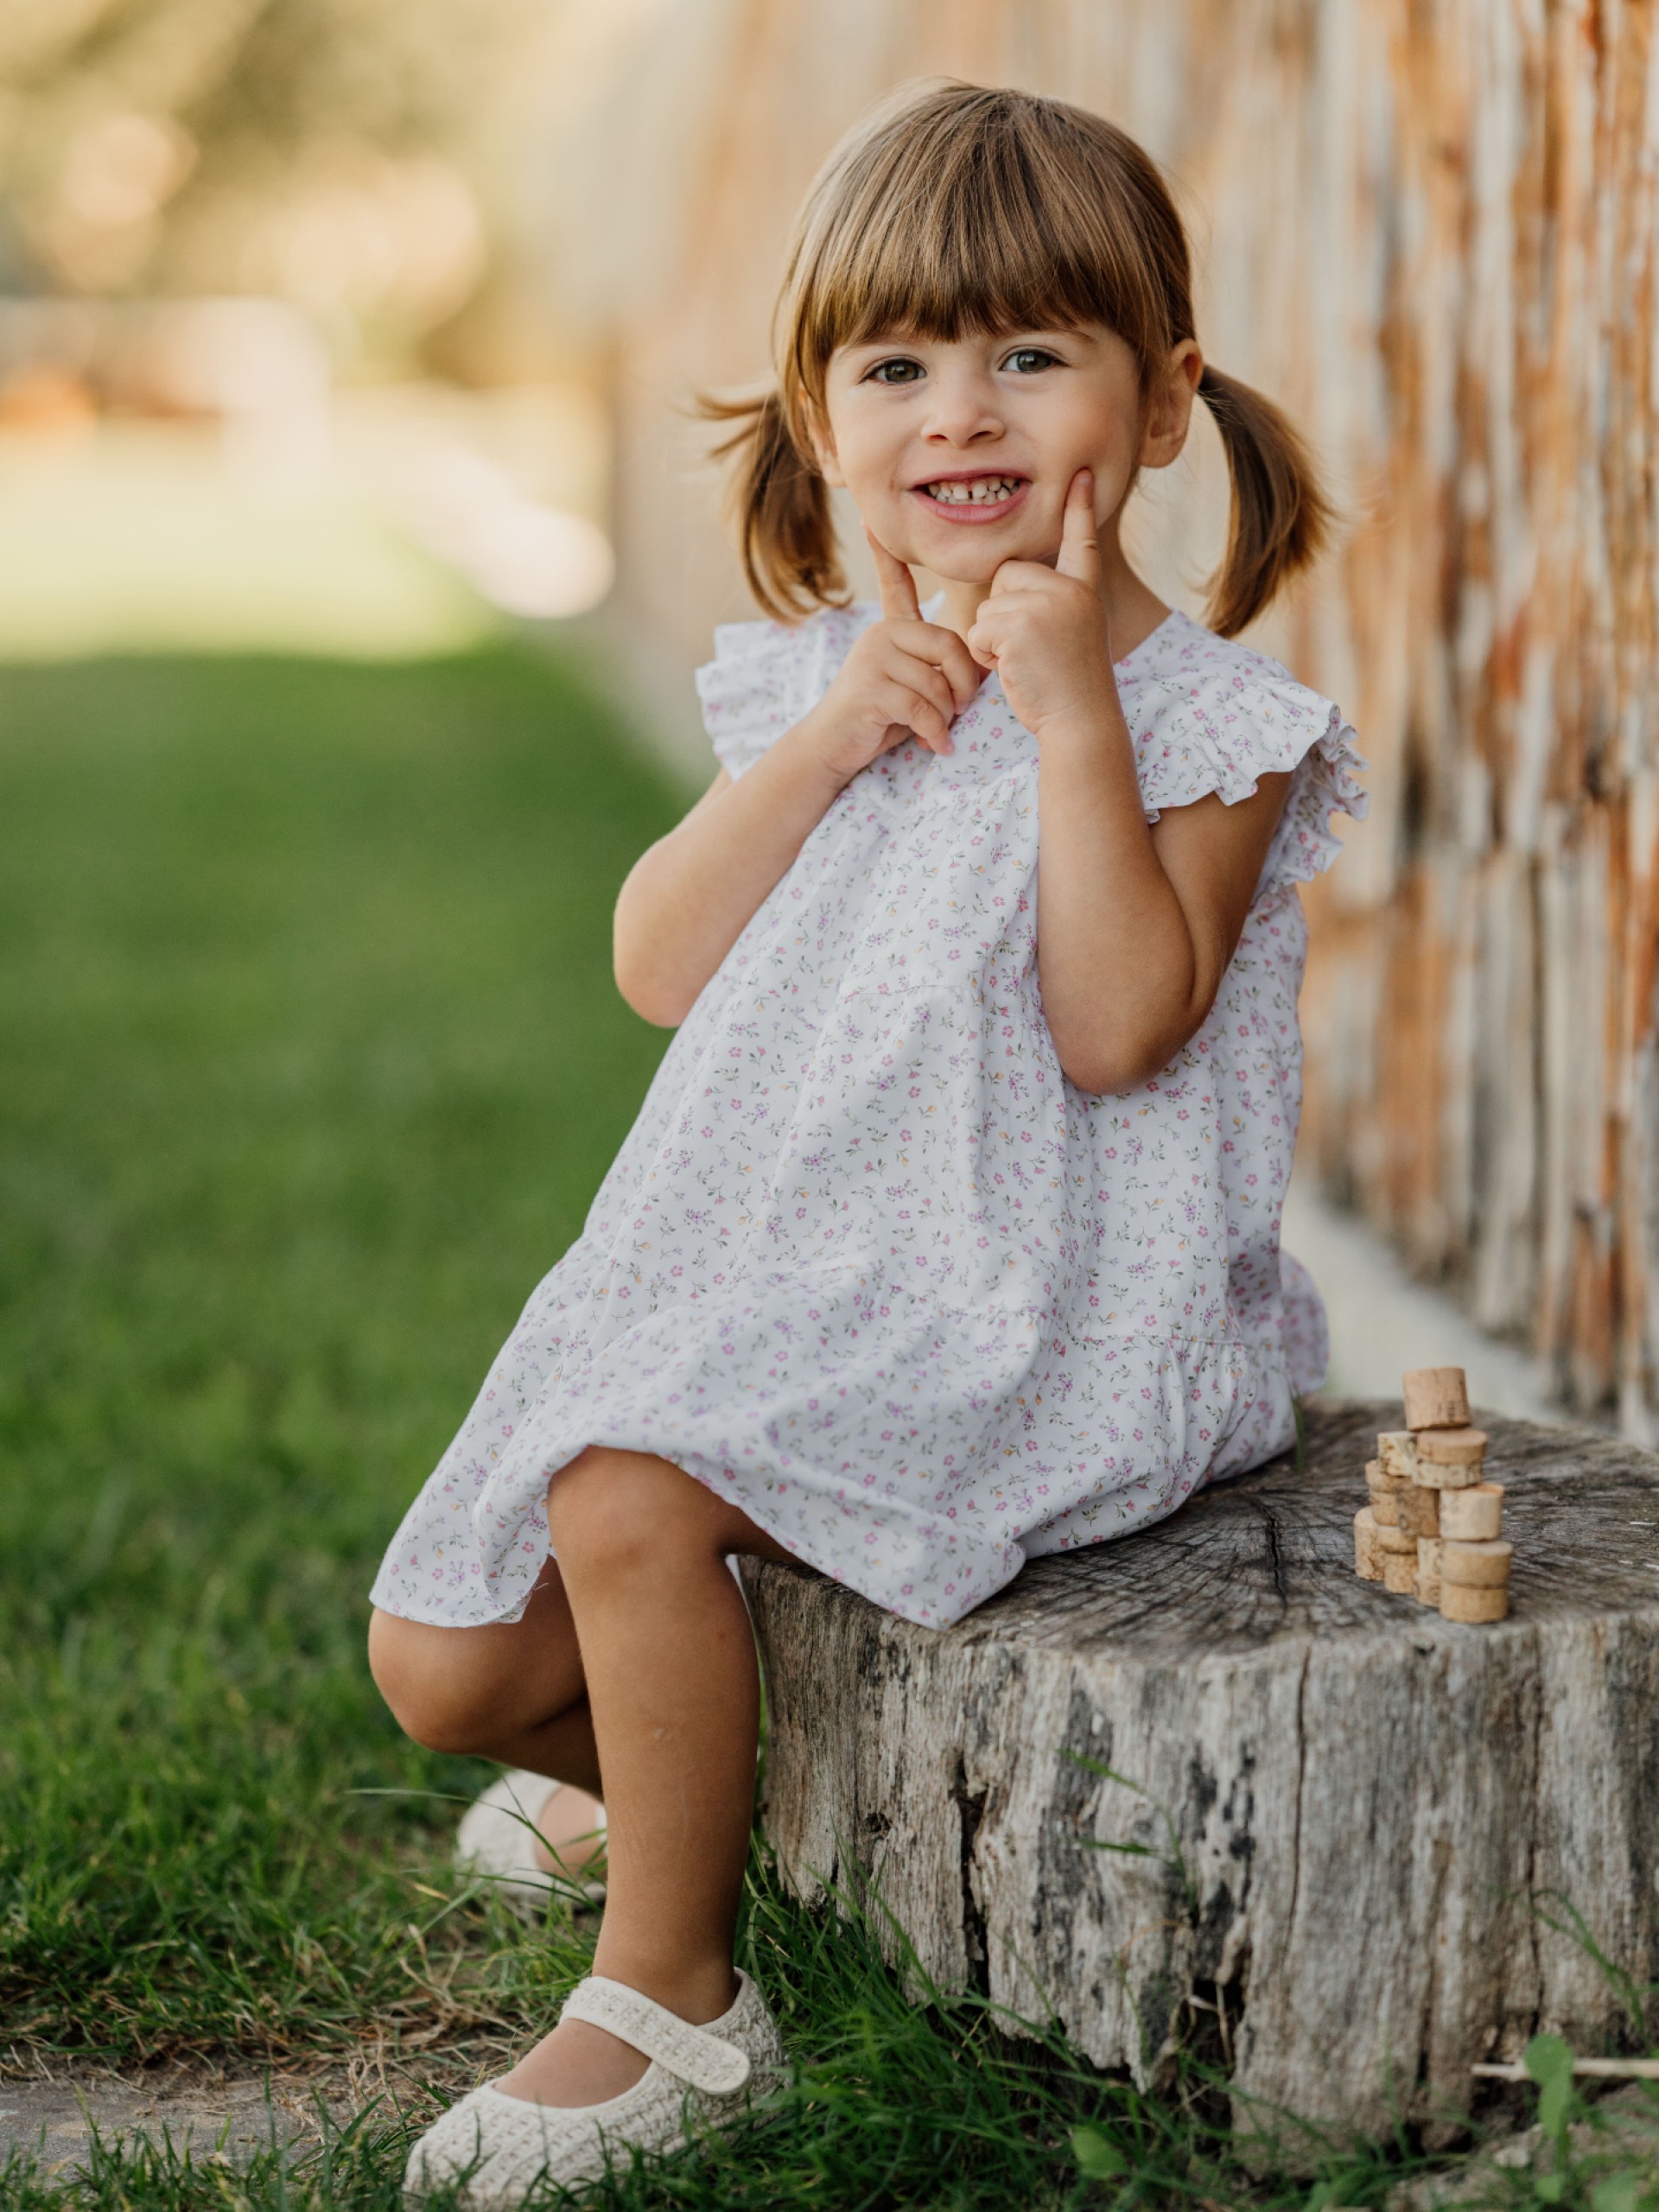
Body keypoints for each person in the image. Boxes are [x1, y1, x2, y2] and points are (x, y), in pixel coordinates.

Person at [371, 79, 1365, 2203]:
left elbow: (1118, 1032)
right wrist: (832, 739)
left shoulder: (1211, 733)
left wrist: (1067, 720)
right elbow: (655, 961)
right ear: (827, 422)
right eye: (899, 361)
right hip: (808, 1266)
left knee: (631, 1493)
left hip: (1062, 1301)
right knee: (444, 1659)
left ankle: (676, 1992)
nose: (962, 408)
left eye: (1032, 350)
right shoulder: (825, 680)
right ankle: (664, 1784)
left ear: (1163, 399)